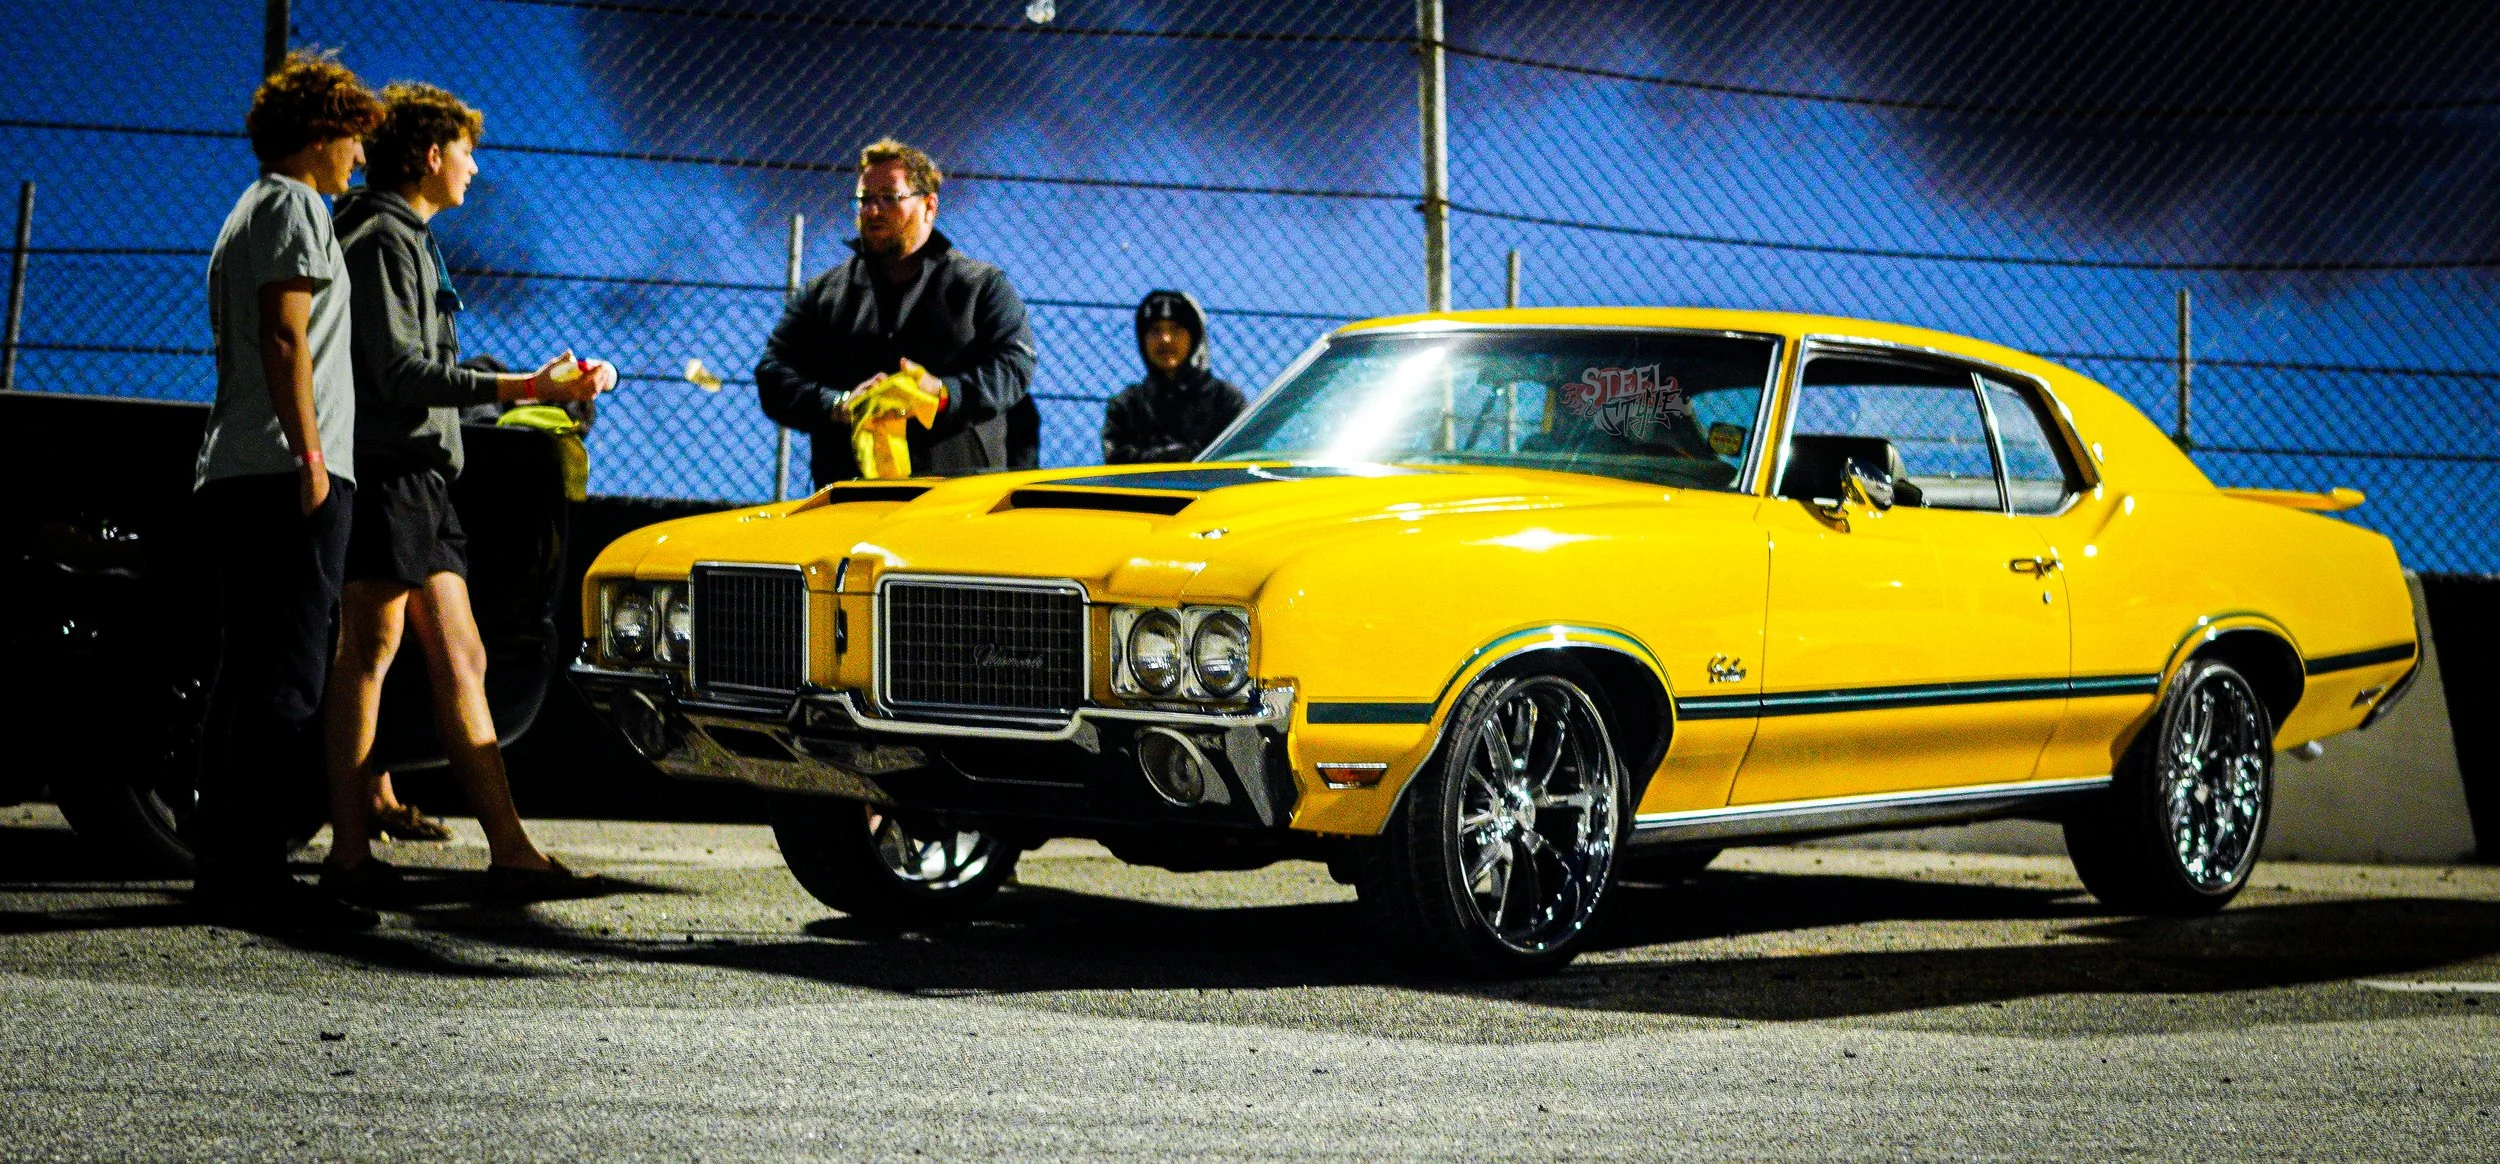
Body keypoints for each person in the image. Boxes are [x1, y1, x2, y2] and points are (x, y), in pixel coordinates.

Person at [320, 82, 613, 902]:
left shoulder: (407, 238)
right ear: (429, 155)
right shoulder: (381, 237)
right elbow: (395, 371)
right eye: (467, 152)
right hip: (389, 473)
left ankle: (509, 849)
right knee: (368, 656)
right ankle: (348, 855)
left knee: (460, 654)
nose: (476, 169)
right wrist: (522, 388)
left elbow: (421, 363)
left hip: (419, 481)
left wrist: (519, 382)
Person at [189, 51, 387, 930]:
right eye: (351, 139)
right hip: (283, 471)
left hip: (238, 469)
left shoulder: (248, 211)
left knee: (244, 675)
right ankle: (259, 878)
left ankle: (226, 868)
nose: (358, 159)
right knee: (288, 679)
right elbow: (284, 337)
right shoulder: (297, 205)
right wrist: (312, 460)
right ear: (319, 135)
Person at [756, 139, 1037, 486]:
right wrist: (840, 404)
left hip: (957, 491)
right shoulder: (823, 294)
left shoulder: (981, 285)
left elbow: (1015, 364)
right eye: (865, 199)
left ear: (929, 206)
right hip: (850, 492)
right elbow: (772, 373)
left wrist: (943, 393)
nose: (872, 211)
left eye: (889, 198)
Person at [1101, 290, 1246, 464]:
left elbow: (1243, 456)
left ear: (1194, 337)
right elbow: (1116, 462)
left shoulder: (1224, 400)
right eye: (1155, 330)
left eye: (1176, 329)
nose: (1166, 339)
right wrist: (1159, 459)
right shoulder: (1126, 407)